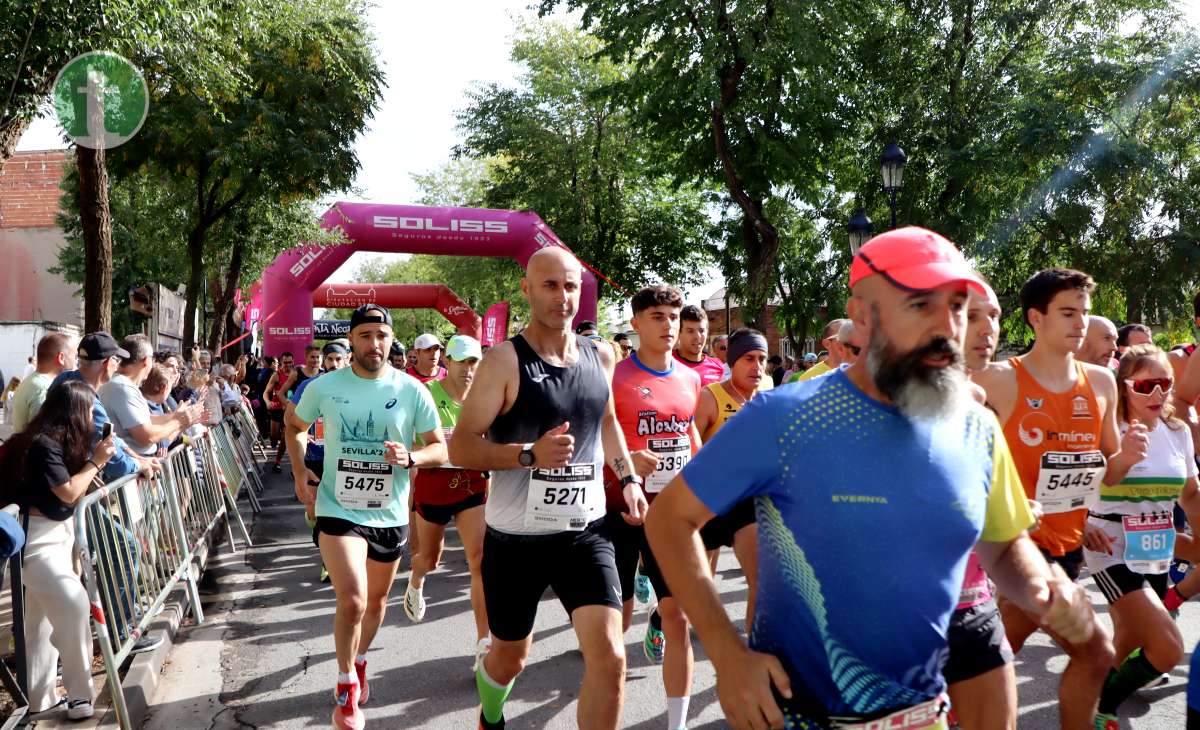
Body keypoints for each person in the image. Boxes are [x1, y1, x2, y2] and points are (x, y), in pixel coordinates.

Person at [645, 227, 1112, 729]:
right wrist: (727, 653)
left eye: (956, 306)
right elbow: (669, 520)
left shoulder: (976, 427)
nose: (946, 327)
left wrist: (1046, 589)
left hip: (924, 713)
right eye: (919, 306)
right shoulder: (783, 417)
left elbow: (1001, 545)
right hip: (803, 715)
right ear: (862, 317)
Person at [450, 246, 648, 730]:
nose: (563, 297)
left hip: (585, 532)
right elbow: (460, 447)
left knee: (610, 657)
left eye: (572, 286)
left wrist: (629, 479)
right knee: (510, 658)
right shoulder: (502, 362)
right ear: (527, 289)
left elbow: (606, 424)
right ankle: (490, 713)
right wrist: (526, 455)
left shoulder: (601, 354)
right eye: (550, 285)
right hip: (516, 542)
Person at [972, 267, 1137, 727]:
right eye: (1067, 312)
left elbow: (1107, 477)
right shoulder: (998, 381)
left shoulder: (1101, 384)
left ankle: (933, 707)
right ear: (1035, 319)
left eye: (1083, 312)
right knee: (1096, 653)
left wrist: (1128, 460)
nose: (1080, 322)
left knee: (991, 656)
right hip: (1015, 550)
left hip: (1067, 551)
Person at [288, 304, 446, 730]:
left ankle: (358, 661)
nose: (374, 343)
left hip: (389, 512)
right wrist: (301, 468)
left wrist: (411, 457)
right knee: (354, 598)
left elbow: (439, 447)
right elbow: (294, 425)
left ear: (390, 340)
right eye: (365, 335)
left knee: (376, 602)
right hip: (337, 508)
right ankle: (344, 686)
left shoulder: (412, 390)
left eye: (381, 335)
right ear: (352, 340)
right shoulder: (325, 385)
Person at [1082, 344, 1199, 726]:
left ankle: (1086, 696)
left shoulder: (1177, 430)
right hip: (1110, 545)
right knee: (1167, 647)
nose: (1158, 394)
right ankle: (1104, 709)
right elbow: (1095, 482)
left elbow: (1191, 495)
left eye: (1165, 384)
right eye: (1146, 385)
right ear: (1124, 386)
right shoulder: (1110, 427)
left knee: (1128, 641)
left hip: (1157, 545)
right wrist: (1125, 458)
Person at [605, 285, 702, 730]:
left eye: (673, 316)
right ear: (637, 322)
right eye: (658, 316)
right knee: (615, 622)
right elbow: (596, 438)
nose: (668, 326)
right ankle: (606, 690)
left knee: (679, 614)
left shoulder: (689, 378)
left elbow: (688, 435)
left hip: (671, 516)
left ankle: (676, 724)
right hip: (618, 511)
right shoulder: (614, 377)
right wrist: (628, 467)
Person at [1, 380, 117, 719]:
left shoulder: (56, 444)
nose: (94, 419)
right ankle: (80, 695)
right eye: (90, 411)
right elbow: (67, 493)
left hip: (54, 538)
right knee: (73, 603)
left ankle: (41, 699)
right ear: (75, 412)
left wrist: (89, 468)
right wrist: (95, 463)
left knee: (39, 622)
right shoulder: (44, 445)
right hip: (37, 544)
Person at [948, 281, 1019, 730]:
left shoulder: (983, 407)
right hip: (899, 623)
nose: (987, 328)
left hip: (975, 605)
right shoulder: (863, 407)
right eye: (973, 316)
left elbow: (1002, 523)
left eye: (993, 316)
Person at [403, 335, 492, 668]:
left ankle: (484, 642)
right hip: (435, 485)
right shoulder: (428, 395)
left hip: (472, 485)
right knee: (429, 558)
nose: (468, 370)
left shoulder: (485, 399)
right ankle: (416, 581)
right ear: (447, 363)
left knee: (480, 561)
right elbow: (417, 447)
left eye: (474, 363)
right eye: (462, 362)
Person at [691, 328, 768, 629]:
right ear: (733, 361)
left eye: (761, 359)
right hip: (709, 501)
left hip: (748, 505)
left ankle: (753, 652)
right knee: (699, 584)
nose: (757, 366)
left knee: (760, 584)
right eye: (749, 358)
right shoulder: (710, 397)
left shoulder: (768, 399)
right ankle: (666, 616)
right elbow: (689, 450)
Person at [286, 340, 350, 583]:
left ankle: (328, 561)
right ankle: (318, 532)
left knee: (336, 514)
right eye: (330, 359)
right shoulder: (309, 386)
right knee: (315, 511)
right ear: (324, 361)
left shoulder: (355, 387)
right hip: (314, 457)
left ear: (346, 360)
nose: (334, 364)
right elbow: (289, 419)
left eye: (338, 359)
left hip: (341, 459)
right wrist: (304, 431)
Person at [99, 335, 204, 457]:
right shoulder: (123, 388)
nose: (176, 371)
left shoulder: (126, 386)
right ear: (146, 361)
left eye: (178, 368)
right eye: (171, 366)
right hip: (135, 467)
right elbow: (147, 437)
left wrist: (177, 416)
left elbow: (148, 420)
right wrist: (180, 422)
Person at [9, 332, 77, 432]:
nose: (76, 361)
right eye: (74, 356)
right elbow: (42, 437)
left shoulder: (32, 382)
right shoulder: (44, 388)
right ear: (61, 358)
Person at [786, 319, 849, 383]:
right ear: (827, 344)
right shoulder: (809, 378)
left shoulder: (858, 373)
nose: (851, 341)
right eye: (843, 337)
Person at [674, 306, 724, 386]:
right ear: (678, 333)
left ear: (707, 332)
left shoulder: (718, 366)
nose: (697, 336)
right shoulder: (666, 363)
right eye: (690, 331)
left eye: (701, 331)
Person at [263, 351, 295, 472]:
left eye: (289, 362)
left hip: (290, 410)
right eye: (285, 362)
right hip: (276, 409)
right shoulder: (276, 375)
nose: (287, 364)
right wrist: (268, 402)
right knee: (274, 438)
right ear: (281, 362)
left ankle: (277, 462)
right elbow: (266, 393)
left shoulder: (295, 374)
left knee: (285, 437)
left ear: (293, 361)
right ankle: (277, 445)